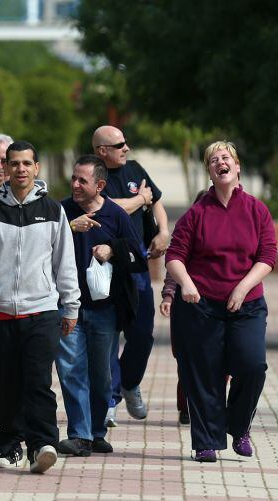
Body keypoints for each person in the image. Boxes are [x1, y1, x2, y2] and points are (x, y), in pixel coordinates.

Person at [0, 140, 80, 474]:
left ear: (36, 168)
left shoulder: (53, 210)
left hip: (41, 310)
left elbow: (65, 263)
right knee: (3, 385)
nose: (20, 169)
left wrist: (71, 306)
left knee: (38, 381)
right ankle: (10, 447)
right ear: (5, 168)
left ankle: (42, 445)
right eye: (14, 163)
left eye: (26, 163)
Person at [165, 141, 276, 463]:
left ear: (237, 166)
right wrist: (186, 284)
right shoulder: (197, 213)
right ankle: (206, 442)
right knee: (204, 374)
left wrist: (242, 288)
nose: (219, 163)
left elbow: (268, 256)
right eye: (213, 160)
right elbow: (174, 256)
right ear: (209, 172)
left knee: (253, 366)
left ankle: (238, 427)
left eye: (225, 158)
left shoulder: (256, 210)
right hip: (201, 306)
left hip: (247, 304)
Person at [56, 155, 146, 457]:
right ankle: (79, 435)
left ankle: (96, 432)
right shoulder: (61, 212)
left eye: (82, 180)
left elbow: (138, 258)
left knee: (101, 375)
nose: (75, 185)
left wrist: (112, 250)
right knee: (71, 371)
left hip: (105, 310)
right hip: (67, 306)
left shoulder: (115, 215)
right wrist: (70, 227)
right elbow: (40, 246)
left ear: (100, 185)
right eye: (73, 178)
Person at [92, 125, 167, 425]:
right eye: (119, 144)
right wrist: (140, 199)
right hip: (106, 267)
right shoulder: (93, 173)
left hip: (137, 267)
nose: (126, 148)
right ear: (102, 151)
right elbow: (106, 207)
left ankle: (129, 382)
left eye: (126, 143)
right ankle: (110, 399)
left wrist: (163, 231)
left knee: (142, 334)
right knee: (108, 335)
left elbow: (156, 200)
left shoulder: (135, 169)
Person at [159, 190, 206, 426]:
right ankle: (186, 406)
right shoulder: (187, 230)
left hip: (217, 304)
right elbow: (172, 268)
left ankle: (211, 405)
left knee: (220, 360)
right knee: (186, 358)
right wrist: (168, 296)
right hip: (186, 305)